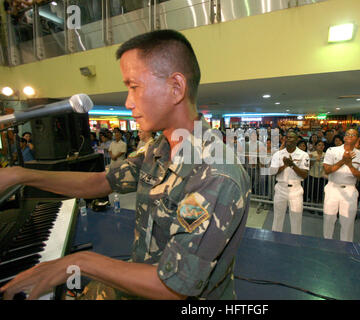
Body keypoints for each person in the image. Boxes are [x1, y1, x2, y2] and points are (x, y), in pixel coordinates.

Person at [0, 29, 251, 300]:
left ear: (176, 87)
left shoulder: (215, 173)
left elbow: (173, 286)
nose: (128, 101)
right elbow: (101, 182)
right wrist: (21, 175)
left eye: (134, 86)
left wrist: (82, 263)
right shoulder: (160, 148)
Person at [322, 129, 360, 242]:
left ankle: (346, 246)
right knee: (328, 219)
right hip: (333, 187)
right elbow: (327, 170)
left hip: (349, 190)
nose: (349, 136)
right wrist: (342, 161)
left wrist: (350, 165)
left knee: (347, 221)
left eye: (353, 135)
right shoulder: (332, 150)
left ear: (358, 139)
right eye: (347, 134)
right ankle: (327, 243)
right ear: (344, 137)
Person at [270, 131, 310, 235]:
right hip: (280, 188)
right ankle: (275, 239)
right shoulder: (278, 154)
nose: (288, 139)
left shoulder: (303, 155)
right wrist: (284, 165)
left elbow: (304, 175)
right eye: (287, 137)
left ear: (297, 140)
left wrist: (292, 165)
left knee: (296, 219)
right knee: (278, 218)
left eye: (291, 138)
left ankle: (296, 242)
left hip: (295, 190)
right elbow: (272, 172)